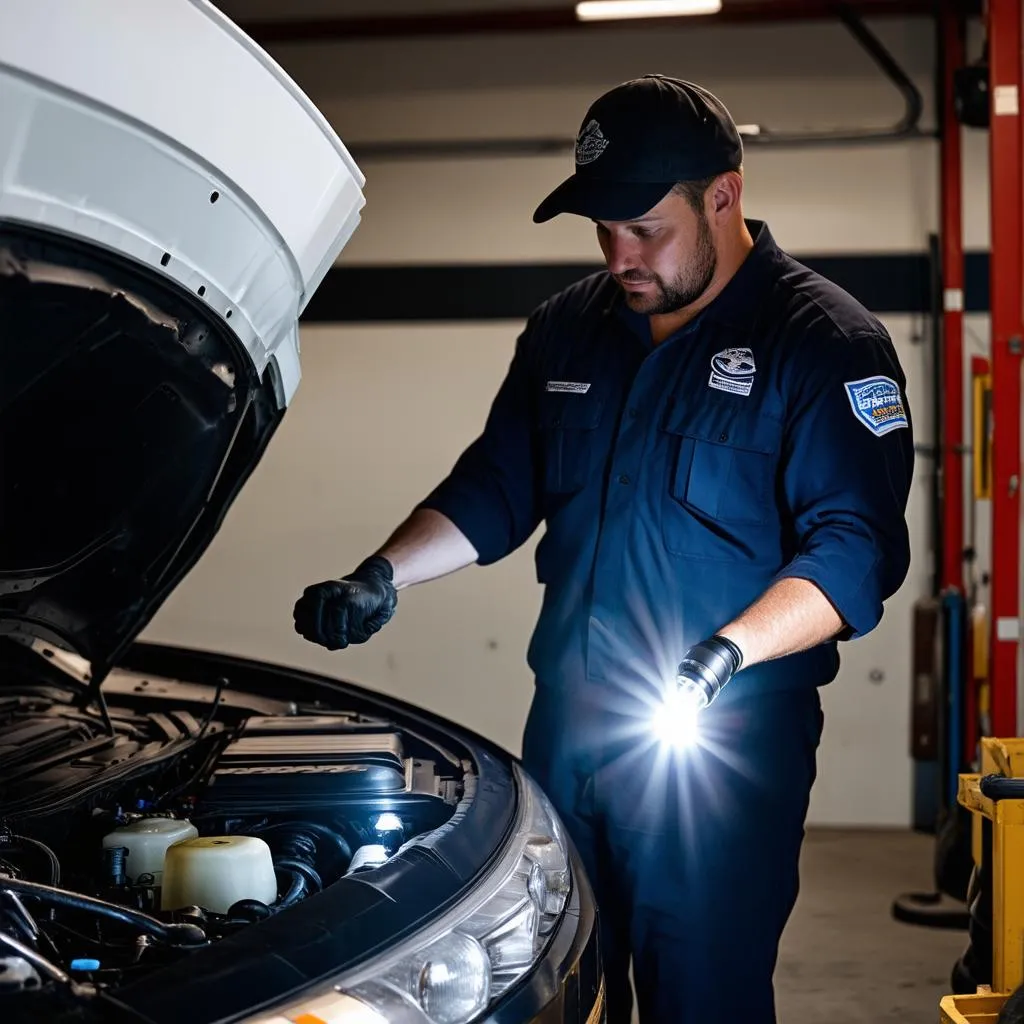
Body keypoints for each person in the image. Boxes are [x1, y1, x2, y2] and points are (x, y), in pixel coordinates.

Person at [293, 75, 914, 1022]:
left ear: (724, 196)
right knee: (557, 989)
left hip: (719, 751)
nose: (620, 256)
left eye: (644, 228)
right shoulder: (567, 331)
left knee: (700, 997)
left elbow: (854, 552)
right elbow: (498, 487)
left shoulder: (824, 343)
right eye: (602, 230)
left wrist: (725, 654)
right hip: (572, 736)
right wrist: (385, 574)